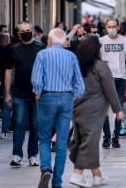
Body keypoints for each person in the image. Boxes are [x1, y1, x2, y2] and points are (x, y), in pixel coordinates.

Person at [31, 28, 85, 188]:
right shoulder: (71, 56)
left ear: (49, 41)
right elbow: (80, 84)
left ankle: (46, 168)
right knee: (61, 142)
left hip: (47, 97)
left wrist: (37, 93)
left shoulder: (42, 55)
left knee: (45, 137)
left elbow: (36, 79)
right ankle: (57, 182)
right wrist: (73, 95)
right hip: (66, 97)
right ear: (64, 42)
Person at [68, 34, 123, 187]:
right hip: (95, 109)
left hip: (77, 108)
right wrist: (118, 109)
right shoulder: (101, 66)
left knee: (83, 140)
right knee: (89, 142)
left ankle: (97, 175)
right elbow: (110, 90)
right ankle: (77, 174)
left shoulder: (74, 65)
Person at [4, 21, 46, 167]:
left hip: (37, 95)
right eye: (23, 31)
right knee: (19, 125)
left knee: (35, 125)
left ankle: (33, 155)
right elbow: (8, 71)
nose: (26, 32)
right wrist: (8, 93)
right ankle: (17, 155)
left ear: (33, 31)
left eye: (28, 30)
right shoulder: (13, 49)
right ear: (19, 34)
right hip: (19, 93)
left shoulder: (41, 48)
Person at [100, 17, 126, 148]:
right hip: (105, 79)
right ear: (106, 27)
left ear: (118, 27)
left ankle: (115, 137)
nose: (112, 29)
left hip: (120, 78)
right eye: (110, 26)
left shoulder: (124, 41)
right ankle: (106, 136)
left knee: (118, 108)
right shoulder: (101, 41)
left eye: (114, 27)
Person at [0, 32, 20, 140]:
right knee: (21, 107)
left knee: (7, 107)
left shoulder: (5, 48)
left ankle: (4, 132)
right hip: (21, 82)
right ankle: (18, 129)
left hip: (7, 81)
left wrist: (2, 79)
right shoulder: (24, 48)